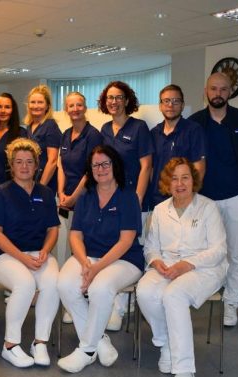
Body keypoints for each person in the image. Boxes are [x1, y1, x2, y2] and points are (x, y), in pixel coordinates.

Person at [136, 157, 227, 377]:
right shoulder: (160, 210)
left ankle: (185, 374)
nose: (179, 184)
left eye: (185, 177)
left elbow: (219, 250)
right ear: (167, 183)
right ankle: (166, 342)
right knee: (145, 291)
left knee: (173, 295)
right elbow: (151, 247)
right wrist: (157, 262)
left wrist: (187, 264)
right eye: (174, 179)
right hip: (168, 265)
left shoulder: (207, 207)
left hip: (204, 268)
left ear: (193, 180)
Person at [57, 145, 144, 373]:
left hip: (124, 259)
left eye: (106, 163)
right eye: (96, 165)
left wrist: (96, 269)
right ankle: (99, 340)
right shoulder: (85, 196)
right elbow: (75, 235)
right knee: (64, 284)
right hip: (88, 256)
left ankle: (86, 350)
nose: (101, 169)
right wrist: (85, 262)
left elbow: (126, 241)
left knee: (100, 288)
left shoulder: (128, 196)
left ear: (115, 165)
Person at [189, 72, 238, 327]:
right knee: (211, 253)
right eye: (213, 88)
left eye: (223, 89)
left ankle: (230, 303)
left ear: (230, 92)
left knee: (237, 251)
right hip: (205, 200)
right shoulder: (195, 122)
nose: (218, 93)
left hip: (237, 196)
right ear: (206, 92)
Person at [0, 138, 60, 368]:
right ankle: (10, 345)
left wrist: (45, 250)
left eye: (29, 162)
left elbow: (53, 229)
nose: (24, 166)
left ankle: (40, 342)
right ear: (11, 165)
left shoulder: (46, 193)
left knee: (53, 283)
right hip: (2, 254)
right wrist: (22, 257)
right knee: (25, 283)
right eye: (19, 162)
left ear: (37, 165)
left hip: (37, 252)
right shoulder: (1, 193)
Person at [98, 81, 154, 330]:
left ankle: (122, 306)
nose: (114, 102)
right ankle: (113, 299)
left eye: (118, 97)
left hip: (134, 201)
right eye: (110, 98)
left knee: (130, 250)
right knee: (114, 248)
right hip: (112, 200)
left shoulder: (139, 128)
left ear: (127, 100)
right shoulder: (105, 129)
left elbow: (146, 166)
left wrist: (137, 198)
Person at [148, 84, 206, 210]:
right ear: (160, 106)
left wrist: (188, 199)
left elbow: (199, 168)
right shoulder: (154, 133)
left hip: (183, 200)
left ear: (182, 105)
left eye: (176, 101)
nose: (171, 105)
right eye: (166, 101)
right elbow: (151, 169)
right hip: (158, 202)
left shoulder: (193, 130)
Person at [57, 91, 103, 210]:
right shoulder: (65, 134)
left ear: (85, 108)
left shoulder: (93, 135)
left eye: (79, 105)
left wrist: (73, 198)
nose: (75, 109)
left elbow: (91, 171)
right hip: (65, 197)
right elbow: (61, 166)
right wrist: (61, 193)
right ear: (66, 110)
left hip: (86, 198)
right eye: (71, 106)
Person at [0, 92, 27, 186]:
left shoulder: (21, 133)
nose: (3, 111)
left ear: (13, 110)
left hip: (13, 186)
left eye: (7, 107)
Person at [24, 85, 61, 194]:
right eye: (33, 102)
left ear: (47, 106)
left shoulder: (50, 125)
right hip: (31, 180)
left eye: (40, 102)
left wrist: (40, 187)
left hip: (45, 182)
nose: (36, 106)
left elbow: (52, 161)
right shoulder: (29, 126)